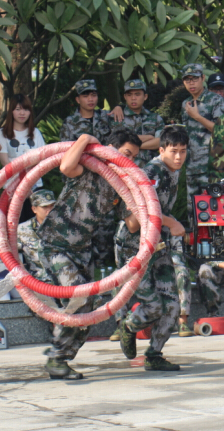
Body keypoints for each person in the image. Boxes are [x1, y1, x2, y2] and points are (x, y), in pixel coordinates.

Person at [38, 130, 141, 380]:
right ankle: (56, 356)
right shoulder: (88, 167)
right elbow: (65, 166)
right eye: (126, 154)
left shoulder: (118, 185)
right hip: (56, 244)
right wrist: (84, 139)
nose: (129, 161)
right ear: (110, 149)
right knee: (79, 299)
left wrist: (144, 198)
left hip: (83, 249)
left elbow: (132, 225)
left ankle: (61, 357)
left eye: (134, 158)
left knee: (88, 309)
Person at [115, 126, 192, 371]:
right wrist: (171, 222)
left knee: (172, 304)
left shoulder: (174, 170)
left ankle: (154, 354)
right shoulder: (152, 171)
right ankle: (128, 325)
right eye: (173, 151)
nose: (178, 157)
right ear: (161, 150)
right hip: (133, 247)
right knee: (153, 305)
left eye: (183, 151)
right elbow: (135, 216)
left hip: (157, 244)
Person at [59, 80, 123, 267]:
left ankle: (104, 266)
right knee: (82, 222)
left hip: (105, 180)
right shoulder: (70, 123)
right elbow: (65, 153)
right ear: (78, 99)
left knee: (105, 222)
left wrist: (119, 106)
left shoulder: (107, 117)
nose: (90, 99)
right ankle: (84, 264)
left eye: (93, 95)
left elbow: (118, 143)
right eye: (86, 95)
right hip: (81, 180)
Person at [0, 93, 47, 222]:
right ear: (11, 111)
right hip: (12, 190)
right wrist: (22, 182)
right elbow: (5, 162)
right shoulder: (2, 134)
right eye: (18, 109)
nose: (22, 113)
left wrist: (29, 181)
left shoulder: (35, 133)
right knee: (14, 227)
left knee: (36, 226)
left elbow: (44, 158)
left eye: (25, 109)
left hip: (34, 189)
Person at [180, 64, 224, 195]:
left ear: (203, 78)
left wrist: (197, 117)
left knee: (212, 208)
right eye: (187, 80)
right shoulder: (186, 104)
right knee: (193, 209)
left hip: (212, 166)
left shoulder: (216, 100)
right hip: (192, 166)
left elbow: (222, 131)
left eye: (194, 79)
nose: (191, 83)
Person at [118, 79, 164, 166]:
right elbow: (117, 142)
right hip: (123, 168)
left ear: (145, 96)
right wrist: (149, 137)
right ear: (125, 97)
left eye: (137, 94)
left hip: (150, 168)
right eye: (129, 94)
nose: (133, 98)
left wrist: (134, 145)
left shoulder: (155, 118)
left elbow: (160, 141)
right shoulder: (117, 117)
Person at [16, 189, 55, 284]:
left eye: (52, 206)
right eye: (45, 207)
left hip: (66, 284)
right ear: (34, 209)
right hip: (38, 283)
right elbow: (8, 253)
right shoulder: (23, 230)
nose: (49, 210)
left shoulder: (66, 228)